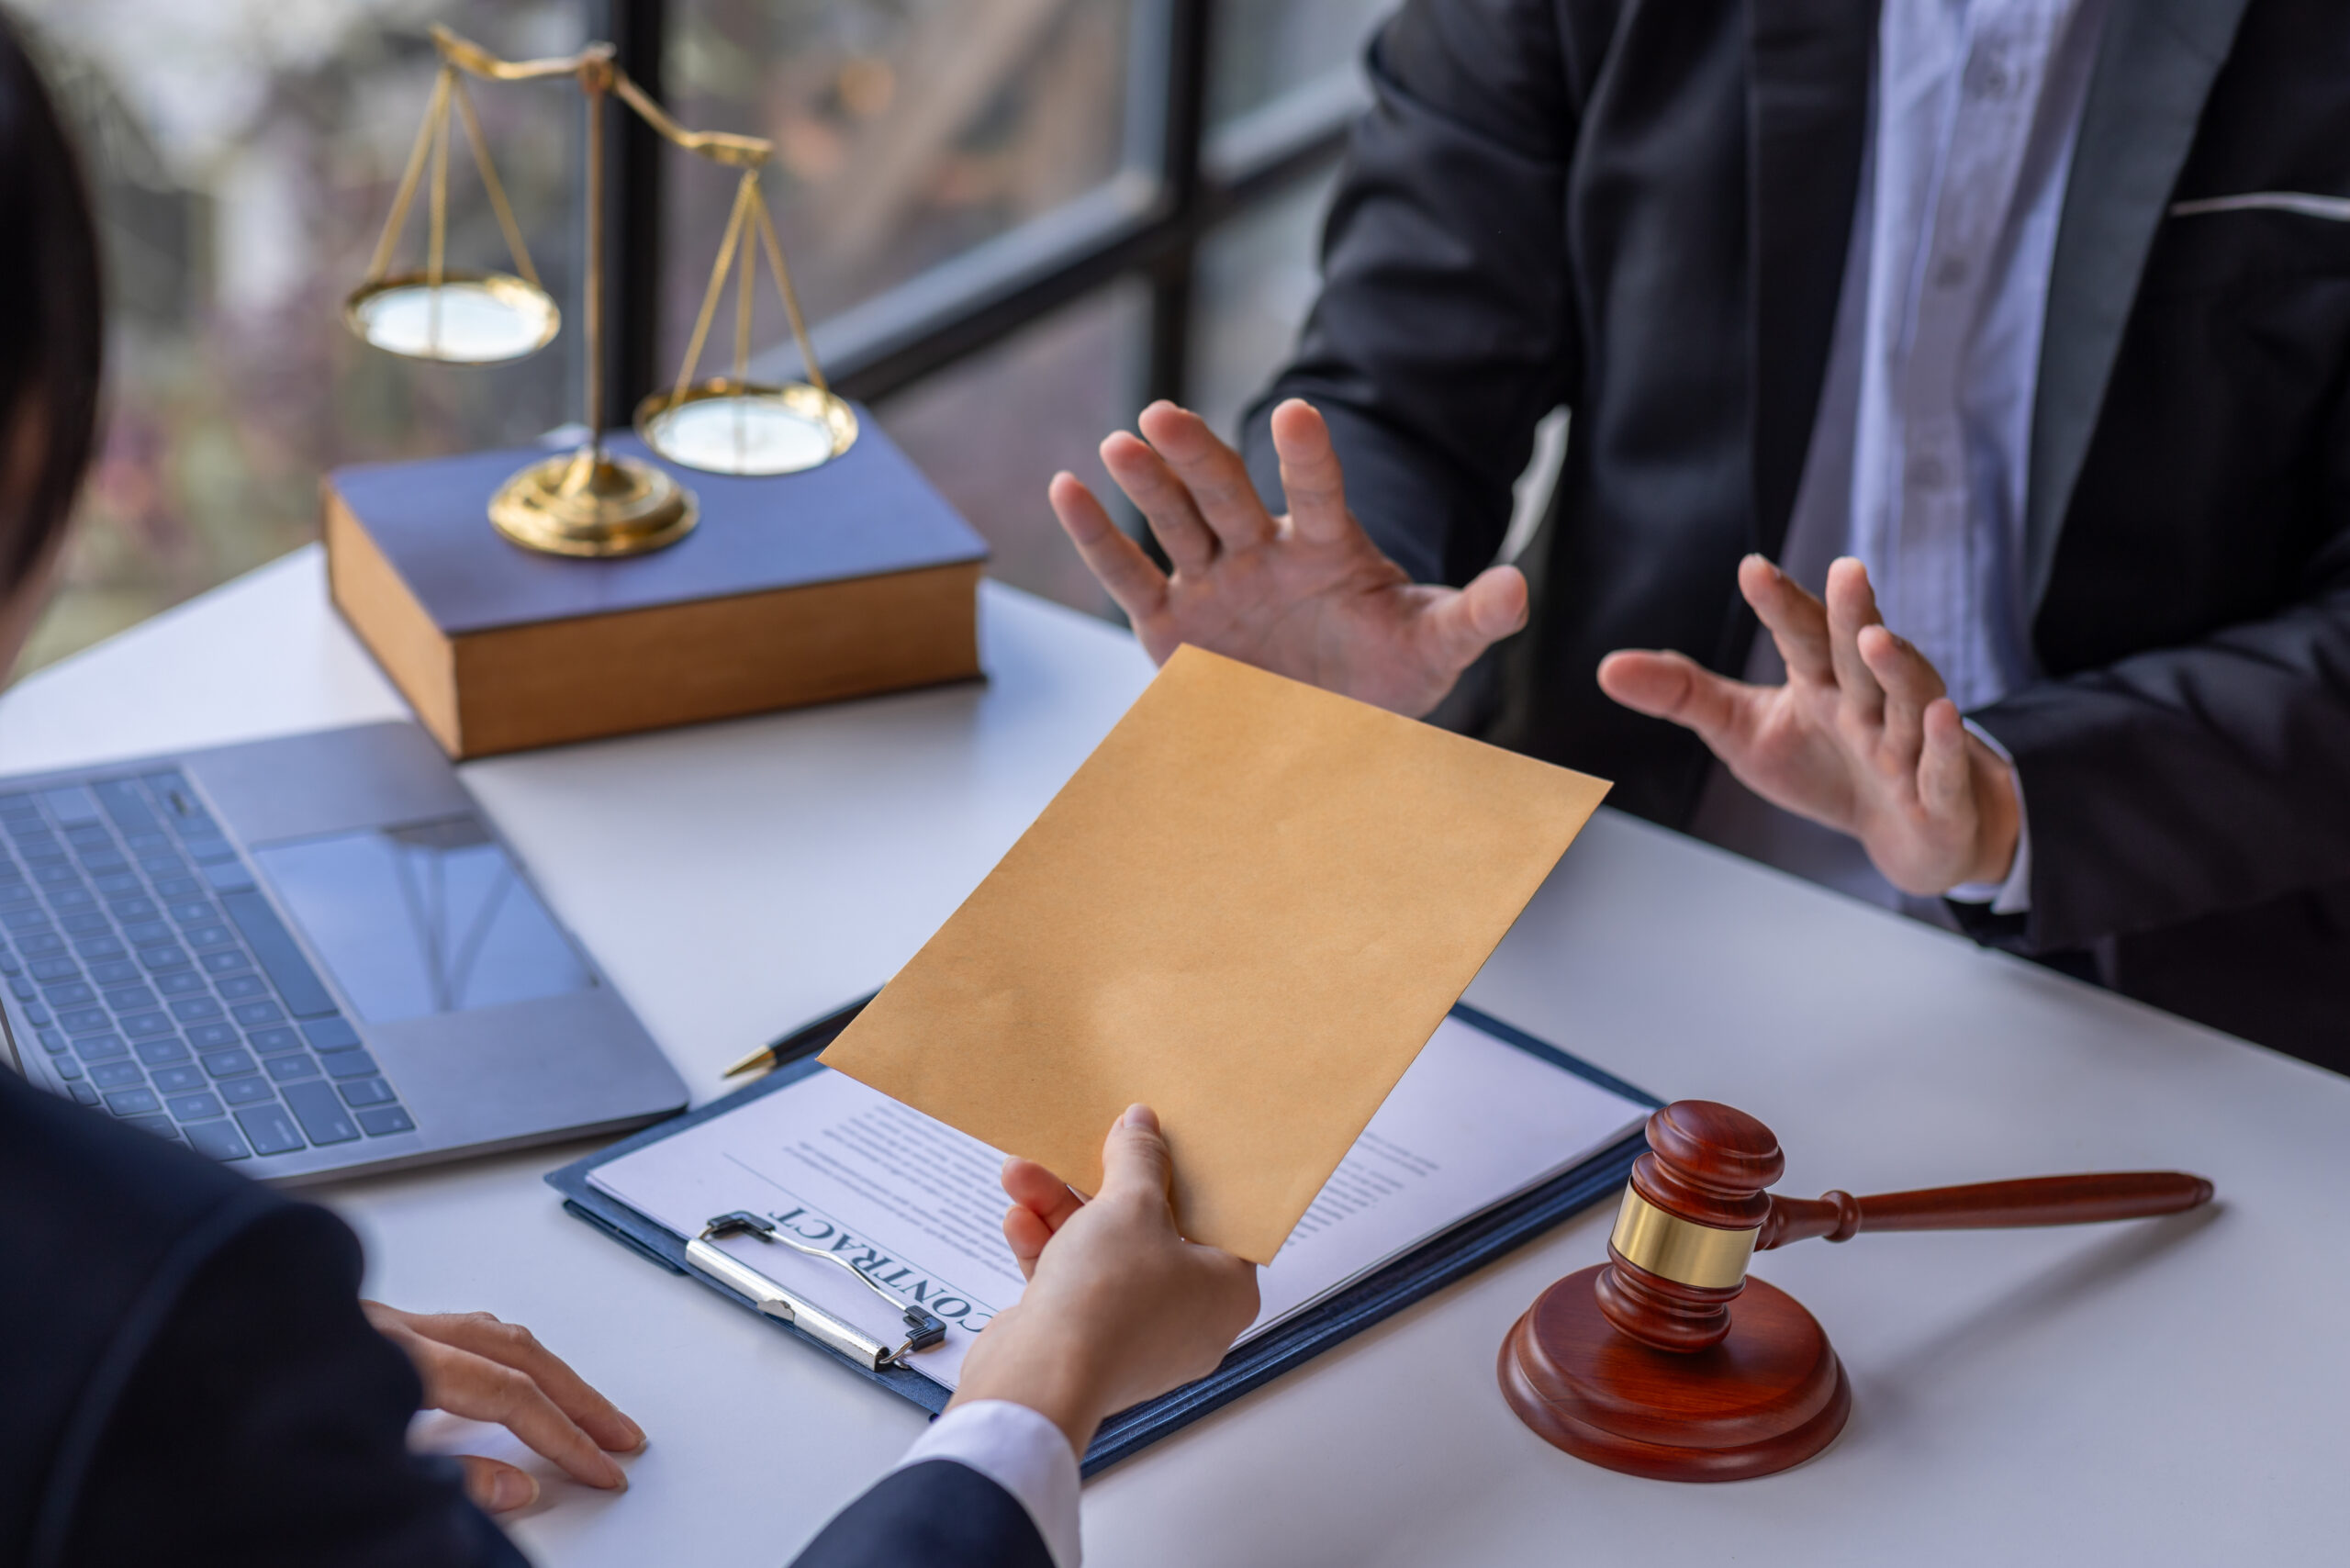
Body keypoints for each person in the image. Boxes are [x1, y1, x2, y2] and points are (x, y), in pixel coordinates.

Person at [0, 17, 1256, 1568]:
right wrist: (1038, 1391)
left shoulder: (157, 1318)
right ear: (36, 441)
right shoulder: (148, 1311)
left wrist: (236, 1404)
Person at [1048, 0, 2350, 1070]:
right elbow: (1400, 372)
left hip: (2164, 948)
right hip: (1614, 874)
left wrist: (2010, 798)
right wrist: (1346, 593)